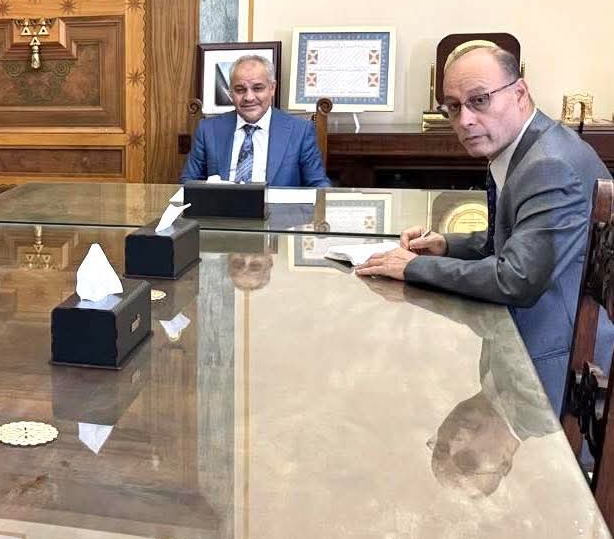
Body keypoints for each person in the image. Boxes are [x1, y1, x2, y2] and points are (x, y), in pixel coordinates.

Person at [355, 46, 613, 412]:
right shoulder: (527, 146)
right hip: (534, 343)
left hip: (555, 369)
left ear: (519, 93)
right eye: (453, 107)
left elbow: (516, 279)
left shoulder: (549, 166)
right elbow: (517, 239)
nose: (464, 120)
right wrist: (446, 245)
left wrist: (414, 267)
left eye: (479, 101)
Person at [181, 55, 331, 187]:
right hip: (221, 209)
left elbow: (319, 186)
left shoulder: (300, 131)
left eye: (258, 88)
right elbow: (188, 183)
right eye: (240, 90)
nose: (249, 97)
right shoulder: (208, 129)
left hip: (279, 210)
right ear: (230, 93)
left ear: (272, 88)